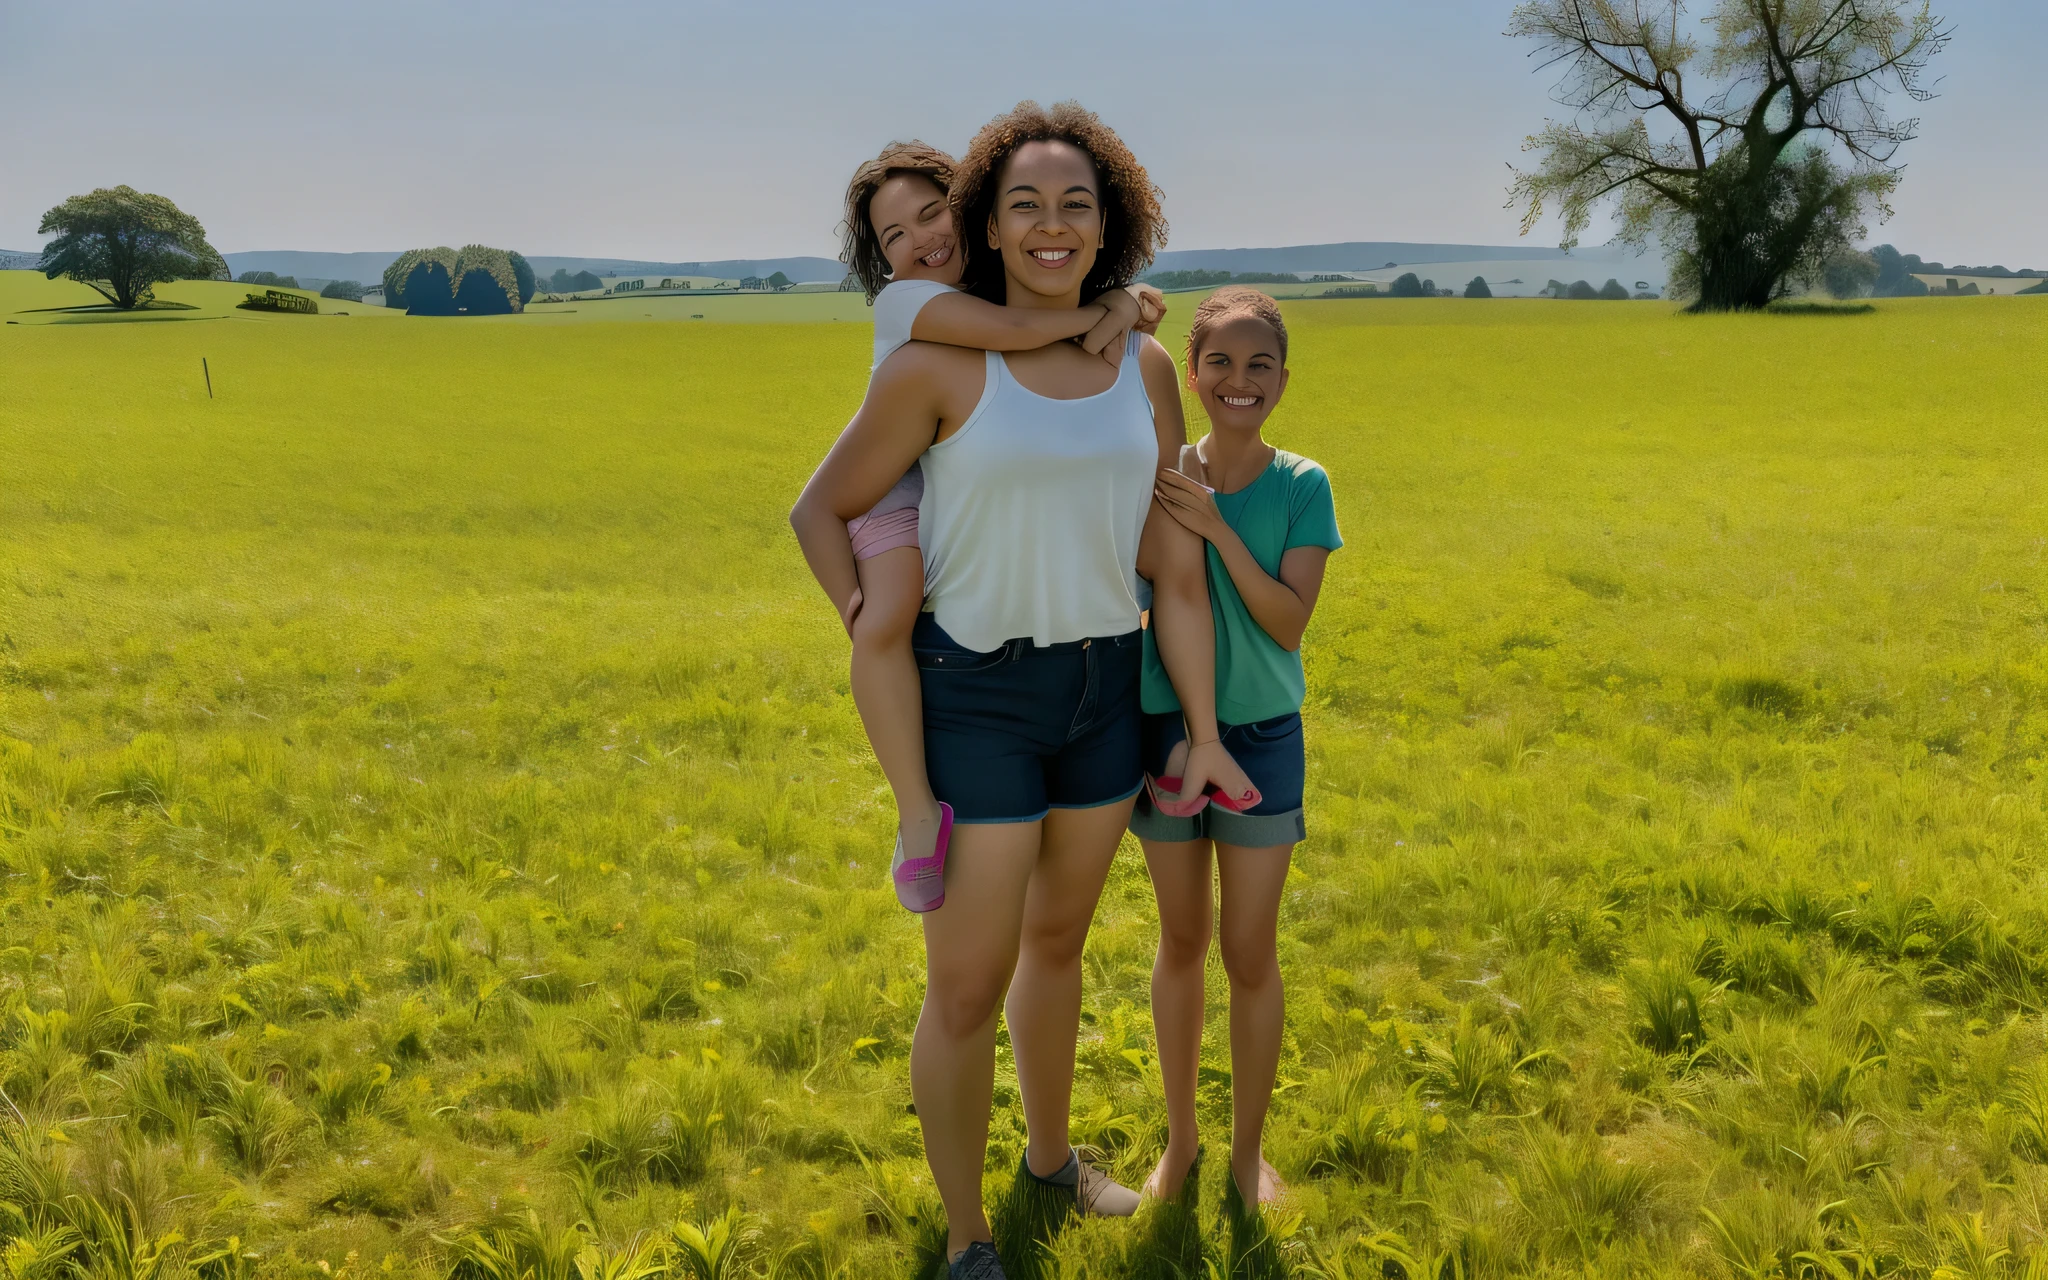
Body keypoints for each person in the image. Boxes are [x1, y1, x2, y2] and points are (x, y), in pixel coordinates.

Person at [790, 101, 1259, 1280]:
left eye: (1076, 205)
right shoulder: (934, 363)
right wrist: (867, 617)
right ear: (985, 227)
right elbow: (831, 502)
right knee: (965, 979)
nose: (1053, 226)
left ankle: (1049, 1158)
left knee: (1058, 942)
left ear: (1109, 221)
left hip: (1102, 690)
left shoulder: (1144, 364)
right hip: (977, 700)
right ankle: (965, 1237)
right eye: (1025, 205)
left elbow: (1173, 572)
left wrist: (1199, 727)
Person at [798, 140, 1164, 913]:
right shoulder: (913, 308)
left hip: (1098, 666)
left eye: (932, 213)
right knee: (887, 617)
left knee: (1055, 940)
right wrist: (1108, 308)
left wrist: (1124, 305)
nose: (922, 239)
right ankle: (915, 812)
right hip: (890, 501)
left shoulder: (1060, 328)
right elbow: (1029, 332)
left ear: (966, 211)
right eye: (895, 236)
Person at [1135, 288, 1342, 1209]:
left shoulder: (1303, 485)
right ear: (1192, 373)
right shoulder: (1158, 470)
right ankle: (1181, 1140)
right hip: (1166, 734)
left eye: (1261, 365)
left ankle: (1246, 1151)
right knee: (1180, 941)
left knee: (1248, 952)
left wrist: (1216, 525)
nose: (1240, 381)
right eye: (1221, 362)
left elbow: (1288, 623)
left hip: (1261, 739)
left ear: (1284, 380)